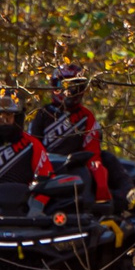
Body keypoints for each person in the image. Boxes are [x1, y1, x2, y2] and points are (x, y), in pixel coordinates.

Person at [31, 62, 112, 204]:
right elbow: (33, 147)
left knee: (100, 167)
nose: (67, 92)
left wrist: (92, 167)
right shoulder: (42, 114)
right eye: (62, 87)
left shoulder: (86, 116)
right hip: (48, 167)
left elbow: (92, 150)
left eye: (74, 88)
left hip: (75, 166)